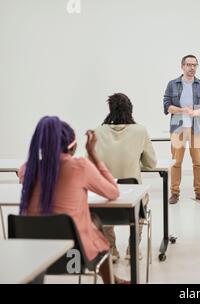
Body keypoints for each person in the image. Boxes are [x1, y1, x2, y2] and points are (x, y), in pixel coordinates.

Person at [19, 116, 128, 283]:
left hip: (34, 257)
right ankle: (112, 281)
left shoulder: (27, 169)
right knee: (96, 228)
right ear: (73, 145)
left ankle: (114, 279)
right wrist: (93, 153)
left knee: (93, 221)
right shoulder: (80, 167)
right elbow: (113, 192)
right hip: (74, 257)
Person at [95, 93, 157, 262]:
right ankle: (133, 248)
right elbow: (151, 164)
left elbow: (89, 164)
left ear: (110, 109)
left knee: (103, 204)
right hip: (132, 198)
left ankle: (111, 249)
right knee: (143, 200)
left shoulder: (97, 131)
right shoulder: (140, 131)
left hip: (105, 198)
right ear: (130, 110)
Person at [163, 54, 200, 204]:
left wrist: (194, 112)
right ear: (182, 66)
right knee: (176, 162)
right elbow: (166, 105)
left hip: (196, 128)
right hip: (178, 128)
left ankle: (199, 192)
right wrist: (181, 110)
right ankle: (174, 193)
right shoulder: (172, 84)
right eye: (189, 65)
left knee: (198, 162)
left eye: (195, 65)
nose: (192, 68)